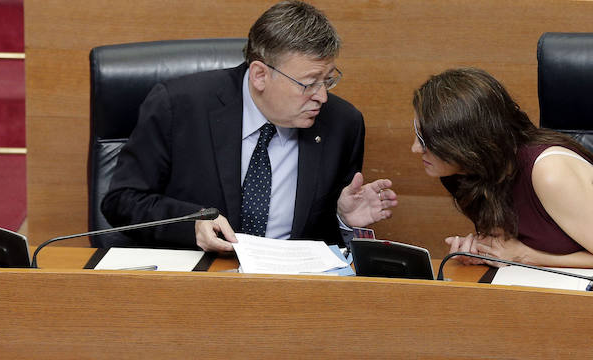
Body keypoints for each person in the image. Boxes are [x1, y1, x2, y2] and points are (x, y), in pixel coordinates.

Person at [101, 1, 396, 252]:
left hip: (288, 292)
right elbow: (121, 202)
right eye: (309, 83)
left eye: (328, 79)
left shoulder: (342, 125)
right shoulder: (178, 106)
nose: (322, 96)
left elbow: (325, 239)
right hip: (197, 282)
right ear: (259, 76)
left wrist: (344, 220)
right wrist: (191, 225)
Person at [411, 67, 593, 272]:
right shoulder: (471, 174)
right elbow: (513, 248)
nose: (415, 149)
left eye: (425, 142)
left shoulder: (549, 172)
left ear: (466, 144)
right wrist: (486, 252)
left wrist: (522, 257)